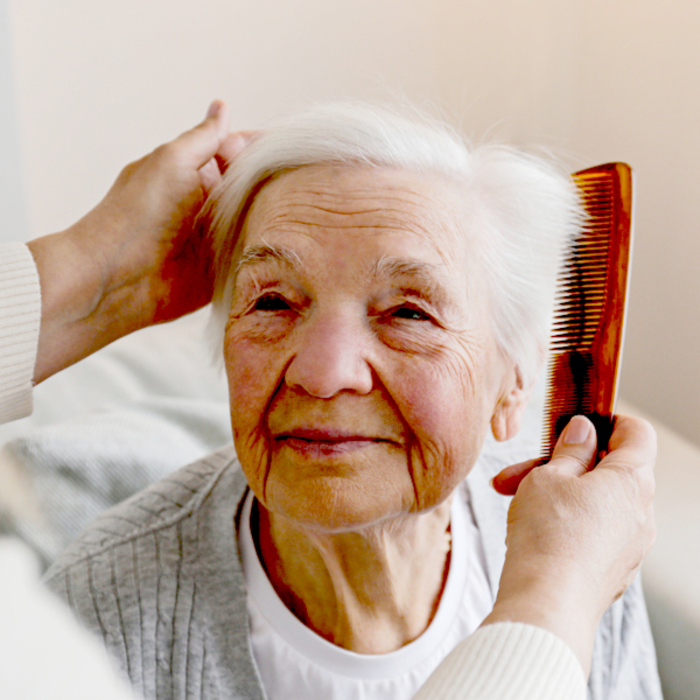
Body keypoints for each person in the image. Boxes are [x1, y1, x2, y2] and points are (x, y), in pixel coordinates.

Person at [0, 102, 658, 700]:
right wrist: (553, 599)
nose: (322, 374)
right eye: (273, 301)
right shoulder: (100, 613)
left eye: (408, 312)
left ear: (509, 387)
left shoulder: (577, 543)